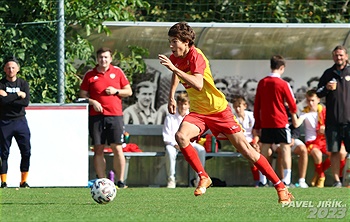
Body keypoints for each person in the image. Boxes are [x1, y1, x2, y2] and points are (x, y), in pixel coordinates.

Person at [158, 22, 293, 204]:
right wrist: (171, 96)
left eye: (174, 41)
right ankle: (203, 176)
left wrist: (174, 69)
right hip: (198, 112)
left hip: (219, 111)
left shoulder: (196, 56)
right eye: (170, 42)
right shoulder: (176, 57)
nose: (171, 46)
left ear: (187, 41)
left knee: (247, 151)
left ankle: (280, 187)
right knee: (181, 137)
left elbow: (197, 83)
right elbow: (176, 73)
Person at [79, 47, 132, 189]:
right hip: (96, 117)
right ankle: (102, 182)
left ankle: (120, 181)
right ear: (97, 59)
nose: (103, 60)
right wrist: (93, 102)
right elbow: (82, 95)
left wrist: (116, 91)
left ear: (110, 58)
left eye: (106, 57)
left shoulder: (117, 72)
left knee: (117, 148)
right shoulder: (90, 75)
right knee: (98, 148)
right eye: (101, 57)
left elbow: (129, 91)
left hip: (115, 115)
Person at [253, 55, 297, 188]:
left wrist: (257, 124)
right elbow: (293, 104)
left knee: (265, 149)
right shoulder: (283, 84)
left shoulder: (262, 82)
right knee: (285, 148)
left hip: (266, 122)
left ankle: (263, 179)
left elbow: (257, 105)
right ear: (282, 68)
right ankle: (287, 180)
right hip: (280, 122)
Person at [292, 89, 347, 187]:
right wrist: (293, 112)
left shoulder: (325, 111)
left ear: (318, 100)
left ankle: (318, 173)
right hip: (312, 142)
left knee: (338, 153)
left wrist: (325, 129)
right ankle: (321, 177)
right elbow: (296, 124)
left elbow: (333, 125)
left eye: (313, 100)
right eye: (308, 100)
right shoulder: (305, 113)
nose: (310, 103)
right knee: (317, 155)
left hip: (324, 140)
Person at [315, 45, 350, 187]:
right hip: (333, 121)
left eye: (341, 55)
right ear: (333, 57)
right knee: (334, 152)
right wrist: (327, 89)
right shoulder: (328, 73)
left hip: (349, 121)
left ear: (346, 56)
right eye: (336, 55)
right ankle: (337, 181)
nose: (339, 58)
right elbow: (318, 92)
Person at [163, 92, 206, 188]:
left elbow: (194, 133)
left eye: (185, 104)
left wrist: (187, 143)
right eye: (181, 104)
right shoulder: (170, 117)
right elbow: (167, 136)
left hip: (188, 143)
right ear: (177, 104)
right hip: (174, 145)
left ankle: (199, 179)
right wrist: (176, 145)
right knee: (169, 151)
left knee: (201, 150)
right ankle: (171, 179)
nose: (183, 106)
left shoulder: (192, 116)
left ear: (189, 105)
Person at [0, 56, 31, 188]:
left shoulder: (23, 83)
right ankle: (4, 182)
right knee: (3, 153)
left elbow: (25, 102)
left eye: (13, 67)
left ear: (18, 69)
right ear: (4, 69)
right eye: (8, 67)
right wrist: (18, 95)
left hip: (20, 121)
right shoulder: (1, 84)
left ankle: (23, 181)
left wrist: (8, 97)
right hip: (4, 122)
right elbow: (2, 102)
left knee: (26, 151)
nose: (11, 70)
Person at [232, 95, 263, 187]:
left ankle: (262, 180)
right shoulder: (232, 118)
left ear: (245, 106)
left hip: (252, 143)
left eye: (239, 106)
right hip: (240, 143)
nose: (237, 109)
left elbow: (256, 133)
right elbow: (235, 136)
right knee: (253, 153)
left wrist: (255, 142)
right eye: (235, 107)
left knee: (266, 152)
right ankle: (259, 180)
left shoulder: (251, 115)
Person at [275, 105, 309, 188]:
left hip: (291, 139)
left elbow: (296, 127)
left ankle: (302, 181)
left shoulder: (291, 112)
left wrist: (293, 138)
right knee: (282, 150)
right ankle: (283, 181)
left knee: (303, 150)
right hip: (278, 140)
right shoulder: (275, 111)